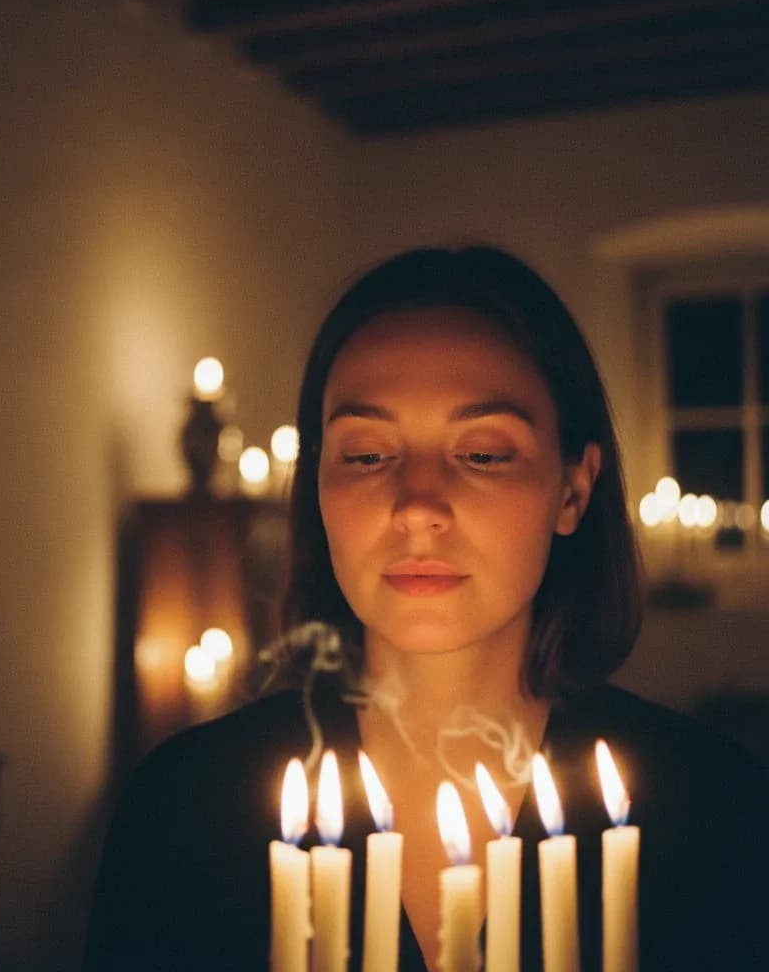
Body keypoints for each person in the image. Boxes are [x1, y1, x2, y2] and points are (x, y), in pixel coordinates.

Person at [84, 246, 766, 971]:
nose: (417, 507)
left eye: (482, 455)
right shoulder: (185, 809)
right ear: (317, 486)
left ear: (572, 489)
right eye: (368, 455)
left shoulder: (713, 811)